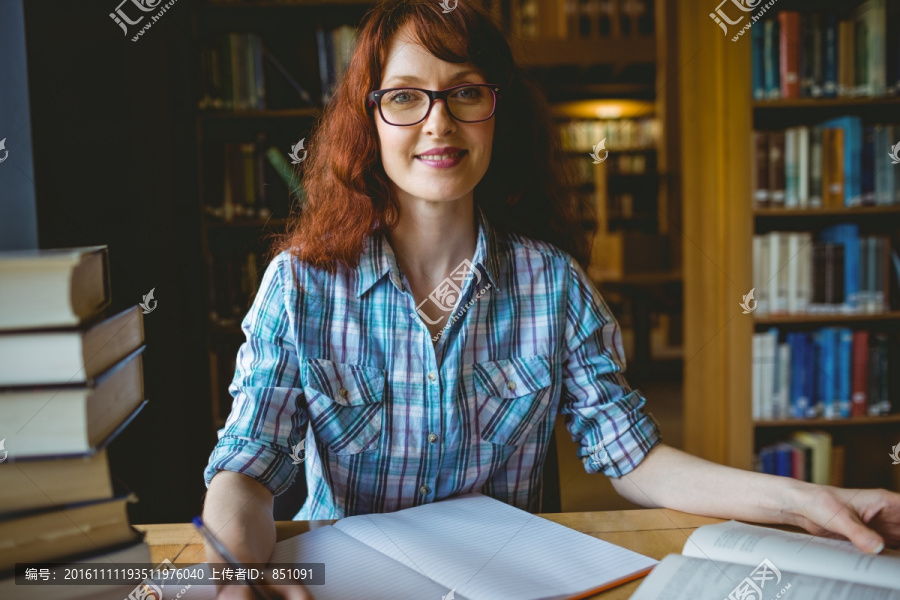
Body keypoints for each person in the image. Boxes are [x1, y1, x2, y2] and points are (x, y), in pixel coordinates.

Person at [200, 1, 900, 598]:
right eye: (407, 96)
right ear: (371, 119)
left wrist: (807, 502)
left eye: (465, 92)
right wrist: (228, 571)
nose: (438, 123)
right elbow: (247, 469)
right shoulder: (302, 285)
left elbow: (635, 460)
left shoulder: (552, 284)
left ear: (496, 112)